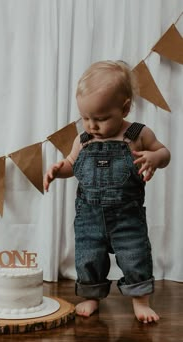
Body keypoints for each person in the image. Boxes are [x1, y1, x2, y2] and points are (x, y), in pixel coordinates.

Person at [43, 60, 171, 324]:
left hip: (127, 216)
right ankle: (91, 295)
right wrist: (59, 169)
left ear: (124, 108)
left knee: (135, 254)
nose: (92, 125)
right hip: (89, 215)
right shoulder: (83, 140)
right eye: (86, 118)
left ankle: (140, 300)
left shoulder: (138, 134)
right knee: (88, 255)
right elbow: (72, 165)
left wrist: (155, 157)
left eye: (100, 118)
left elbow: (164, 152)